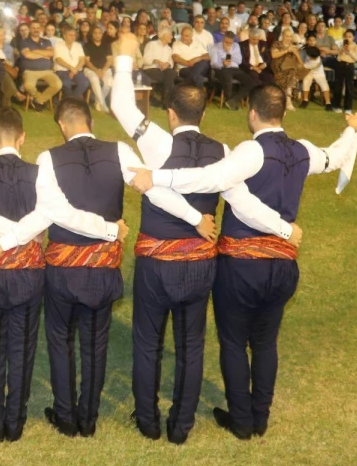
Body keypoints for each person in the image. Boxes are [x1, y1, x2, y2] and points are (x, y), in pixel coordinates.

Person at [132, 88, 357, 441]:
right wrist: (353, 129)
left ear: (252, 114)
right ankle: (260, 417)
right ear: (282, 113)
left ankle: (242, 419)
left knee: (233, 341)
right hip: (283, 266)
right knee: (266, 342)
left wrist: (158, 177)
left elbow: (212, 178)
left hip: (241, 266)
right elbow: (333, 158)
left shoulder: (251, 151)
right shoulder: (302, 149)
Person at [109, 34, 292, 442]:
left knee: (147, 343)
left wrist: (123, 56)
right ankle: (182, 426)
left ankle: (148, 421)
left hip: (157, 262)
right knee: (191, 345)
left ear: (170, 114)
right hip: (200, 264)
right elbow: (241, 203)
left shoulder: (157, 142)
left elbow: (121, 105)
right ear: (203, 114)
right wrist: (284, 228)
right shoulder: (224, 150)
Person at [34, 97, 139, 437]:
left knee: (60, 340)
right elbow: (149, 183)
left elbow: (56, 213)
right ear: (90, 122)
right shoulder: (120, 151)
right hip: (101, 269)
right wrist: (110, 230)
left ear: (62, 125)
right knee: (95, 343)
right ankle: (89, 417)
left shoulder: (48, 158)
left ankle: (66, 415)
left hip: (63, 269)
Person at [0, 108, 51, 442]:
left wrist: (2, 242)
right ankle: (14, 419)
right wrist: (23, 233)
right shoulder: (39, 172)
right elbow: (46, 215)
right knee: (22, 345)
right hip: (29, 271)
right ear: (22, 138)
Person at [19, 22, 62, 112]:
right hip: (30, 71)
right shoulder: (24, 41)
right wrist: (43, 54)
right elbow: (27, 55)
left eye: (38, 27)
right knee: (28, 86)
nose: (36, 30)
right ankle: (40, 99)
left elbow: (51, 53)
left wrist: (35, 51)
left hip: (47, 71)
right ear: (30, 29)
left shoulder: (47, 41)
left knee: (58, 84)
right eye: (33, 28)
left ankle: (38, 100)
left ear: (41, 29)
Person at [299, 33, 334, 111]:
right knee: (306, 83)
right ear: (307, 41)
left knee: (324, 85)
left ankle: (328, 103)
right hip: (307, 71)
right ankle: (305, 100)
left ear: (316, 41)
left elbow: (327, 53)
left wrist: (324, 52)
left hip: (318, 72)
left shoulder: (319, 50)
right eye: (310, 40)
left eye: (313, 40)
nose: (312, 42)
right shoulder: (303, 50)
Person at [333, 30, 357, 114]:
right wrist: (342, 51)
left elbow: (356, 58)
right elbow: (338, 58)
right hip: (341, 65)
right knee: (338, 85)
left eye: (350, 36)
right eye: (346, 36)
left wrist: (349, 51)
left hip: (350, 66)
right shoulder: (342, 46)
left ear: (353, 38)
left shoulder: (356, 46)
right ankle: (336, 105)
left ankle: (348, 107)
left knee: (349, 86)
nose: (348, 38)